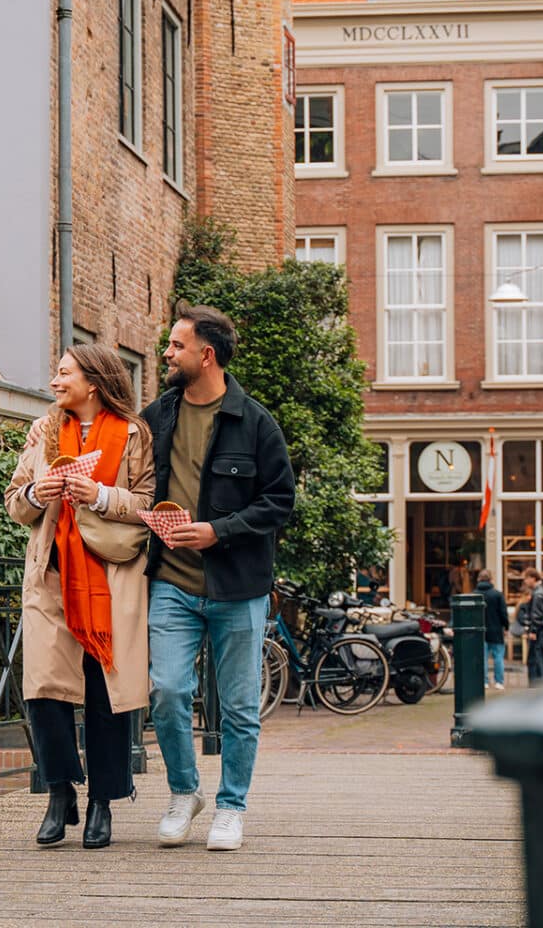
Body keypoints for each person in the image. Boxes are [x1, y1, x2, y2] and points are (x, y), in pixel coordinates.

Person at [142, 303, 295, 852]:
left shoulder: (256, 422)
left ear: (205, 355)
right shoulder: (157, 416)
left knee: (237, 707)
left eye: (176, 345)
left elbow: (279, 502)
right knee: (166, 692)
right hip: (171, 584)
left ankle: (231, 807)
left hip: (239, 590)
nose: (167, 353)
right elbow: (134, 484)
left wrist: (218, 531)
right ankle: (185, 793)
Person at [5, 343, 156, 848]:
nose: (54, 380)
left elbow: (147, 503)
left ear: (93, 382)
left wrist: (100, 496)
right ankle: (58, 791)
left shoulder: (134, 434)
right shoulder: (45, 429)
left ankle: (103, 803)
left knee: (105, 692)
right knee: (45, 688)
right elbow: (14, 502)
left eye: (64, 372)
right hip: (51, 575)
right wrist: (36, 493)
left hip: (110, 577)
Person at [476, 571, 509, 690]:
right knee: (498, 657)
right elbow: (503, 613)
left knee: (483, 658)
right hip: (496, 630)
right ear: (491, 580)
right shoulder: (498, 595)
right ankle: (499, 682)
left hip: (480, 631)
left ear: (479, 580)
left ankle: (484, 682)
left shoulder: (474, 595)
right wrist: (506, 627)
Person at [516, 568, 543, 683]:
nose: (525, 581)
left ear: (533, 578)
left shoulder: (538, 594)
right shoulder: (540, 592)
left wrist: (533, 631)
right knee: (539, 655)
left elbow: (537, 615)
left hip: (537, 631)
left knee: (536, 657)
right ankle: (541, 681)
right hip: (540, 630)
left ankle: (538, 682)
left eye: (526, 578)